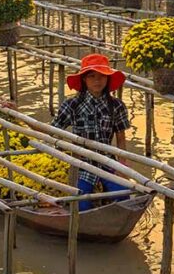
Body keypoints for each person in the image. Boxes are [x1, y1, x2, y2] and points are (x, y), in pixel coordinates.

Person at [53, 53, 130, 210]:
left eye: (102, 76)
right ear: (84, 79)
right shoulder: (72, 104)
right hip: (82, 162)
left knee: (123, 194)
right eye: (92, 76)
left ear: (108, 79)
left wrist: (122, 167)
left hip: (107, 161)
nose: (97, 81)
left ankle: (111, 223)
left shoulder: (116, 105)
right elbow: (53, 130)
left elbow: (121, 138)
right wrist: (18, 113)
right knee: (81, 202)